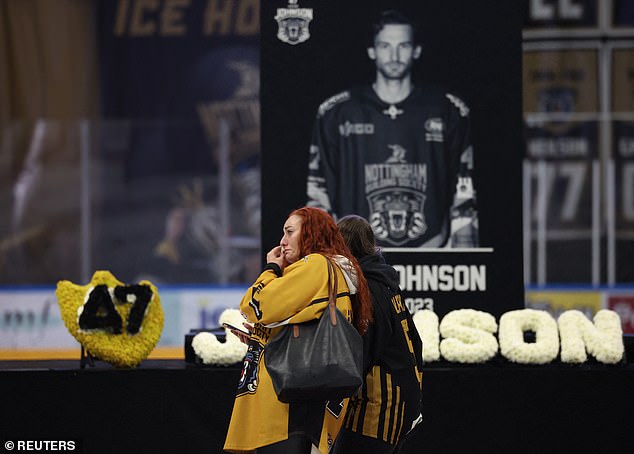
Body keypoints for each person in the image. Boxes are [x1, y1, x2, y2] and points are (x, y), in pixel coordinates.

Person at [306, 9, 479, 248]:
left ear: (416, 50)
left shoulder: (448, 109)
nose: (394, 56)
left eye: (403, 46)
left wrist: (464, 251)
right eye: (386, 46)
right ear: (372, 51)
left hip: (432, 251)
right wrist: (321, 254)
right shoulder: (337, 112)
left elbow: (465, 186)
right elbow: (318, 190)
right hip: (356, 254)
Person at [223, 206, 372, 454]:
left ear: (312, 233)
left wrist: (272, 269)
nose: (282, 242)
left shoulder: (315, 265)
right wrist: (259, 336)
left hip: (290, 407)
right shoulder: (328, 269)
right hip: (304, 400)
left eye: (290, 232)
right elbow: (303, 324)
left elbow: (255, 305)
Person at [333, 214, 423, 454]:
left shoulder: (367, 290)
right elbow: (417, 341)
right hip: (400, 395)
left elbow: (360, 353)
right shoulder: (384, 281)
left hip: (382, 404)